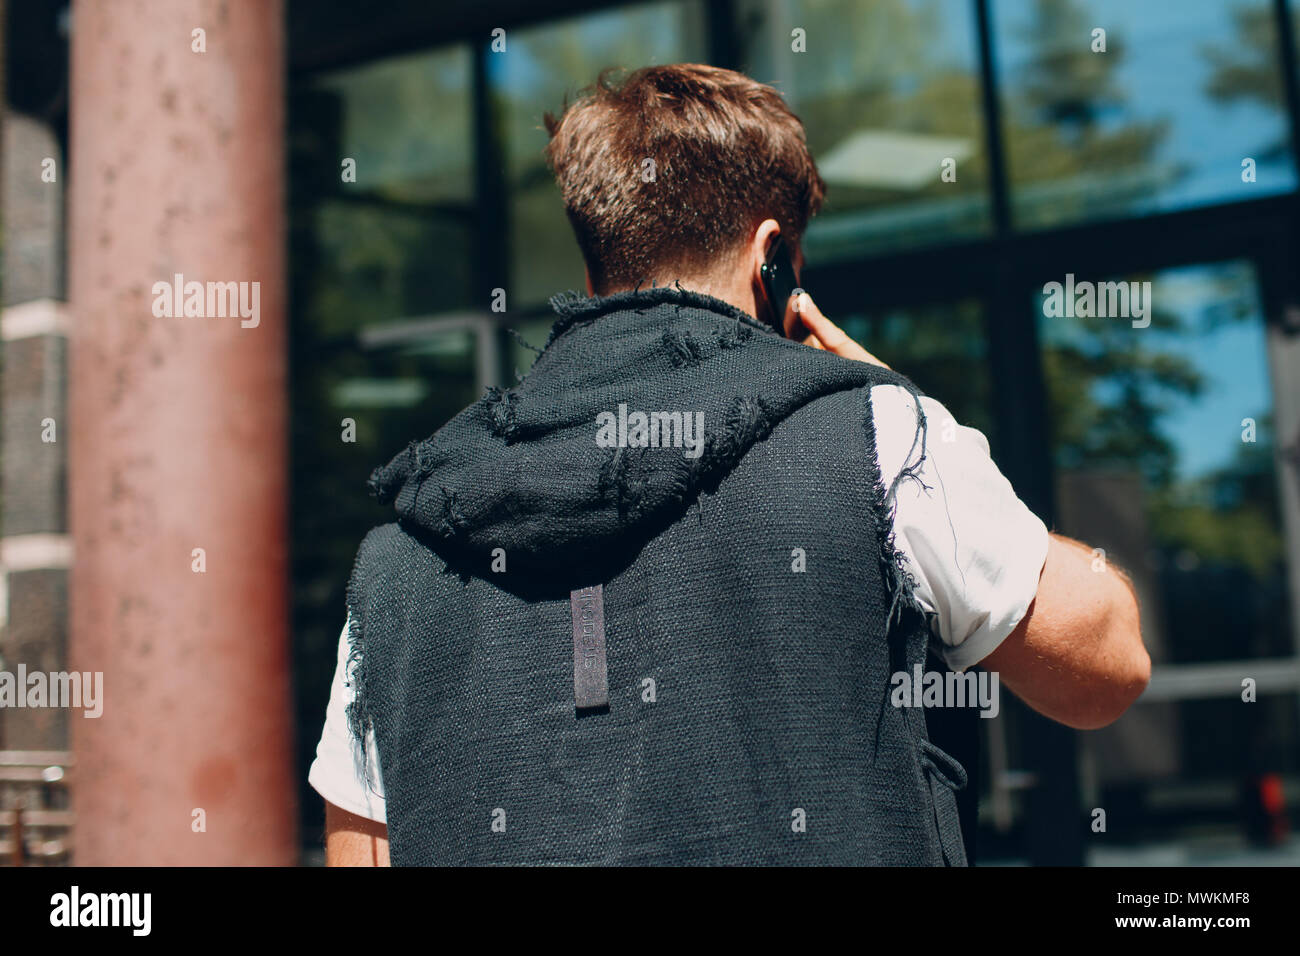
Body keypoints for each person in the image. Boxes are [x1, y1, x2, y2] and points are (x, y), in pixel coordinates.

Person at [309, 63, 1149, 866]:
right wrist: (907, 408)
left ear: (597, 263)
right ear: (773, 257)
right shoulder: (873, 437)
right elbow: (1107, 667)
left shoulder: (406, 544)